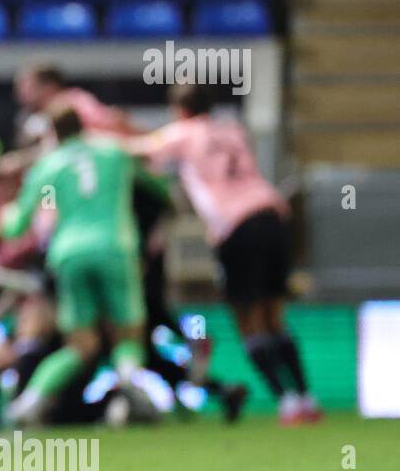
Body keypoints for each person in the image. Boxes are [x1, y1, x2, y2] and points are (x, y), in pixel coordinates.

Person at [126, 80, 318, 425]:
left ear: (178, 110)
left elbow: (139, 149)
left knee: (249, 320)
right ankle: (306, 398)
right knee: (275, 315)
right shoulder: (232, 130)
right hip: (272, 214)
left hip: (237, 226)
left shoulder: (183, 133)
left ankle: (287, 402)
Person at [0, 102, 156, 426]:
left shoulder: (48, 166)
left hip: (69, 253)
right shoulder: (113, 152)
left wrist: (4, 213)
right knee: (128, 333)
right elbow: (155, 183)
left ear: (53, 133)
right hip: (116, 247)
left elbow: (15, 227)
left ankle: (29, 402)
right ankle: (127, 379)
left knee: (80, 343)